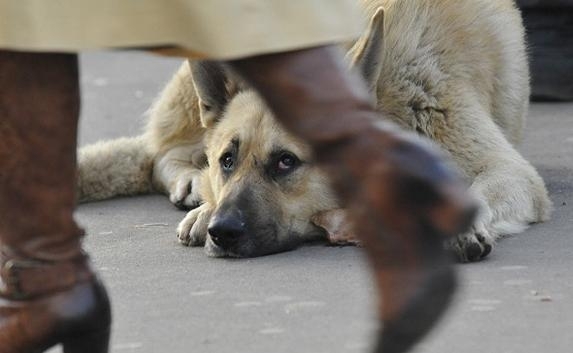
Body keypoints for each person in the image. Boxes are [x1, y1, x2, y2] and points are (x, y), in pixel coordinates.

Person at [0, 1, 475, 353]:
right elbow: (167, 151)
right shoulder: (231, 122)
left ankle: (49, 282)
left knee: (32, 20)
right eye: (224, 162)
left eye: (285, 165)